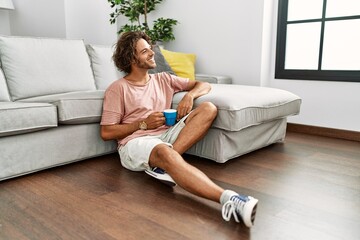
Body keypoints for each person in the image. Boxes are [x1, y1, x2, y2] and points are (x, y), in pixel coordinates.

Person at [100, 31, 258, 227]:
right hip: (135, 142)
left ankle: (163, 164)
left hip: (166, 135)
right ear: (131, 58)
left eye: (150, 49)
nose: (151, 53)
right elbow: (106, 132)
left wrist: (189, 96)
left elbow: (204, 84)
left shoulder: (163, 79)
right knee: (163, 151)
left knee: (208, 108)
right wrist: (142, 124)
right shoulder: (118, 88)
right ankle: (230, 200)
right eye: (144, 51)